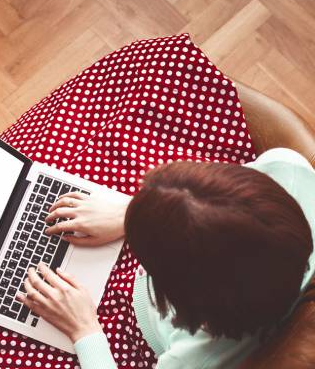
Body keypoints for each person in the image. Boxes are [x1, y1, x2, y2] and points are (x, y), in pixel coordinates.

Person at [16, 147, 315, 368]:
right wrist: (131, 212)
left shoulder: (196, 359)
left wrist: (83, 328)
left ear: (179, 297)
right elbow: (213, 207)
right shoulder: (288, 169)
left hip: (135, 335)